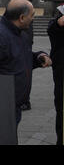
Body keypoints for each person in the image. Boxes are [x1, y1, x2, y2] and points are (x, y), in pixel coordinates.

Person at [0, 0, 52, 127]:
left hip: (15, 104)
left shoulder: (20, 33)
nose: (33, 19)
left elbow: (18, 58)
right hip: (2, 106)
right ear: (21, 18)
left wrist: (38, 58)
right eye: (32, 15)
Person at [47, 11, 64, 145]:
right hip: (61, 74)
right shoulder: (57, 23)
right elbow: (52, 29)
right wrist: (59, 23)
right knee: (61, 109)